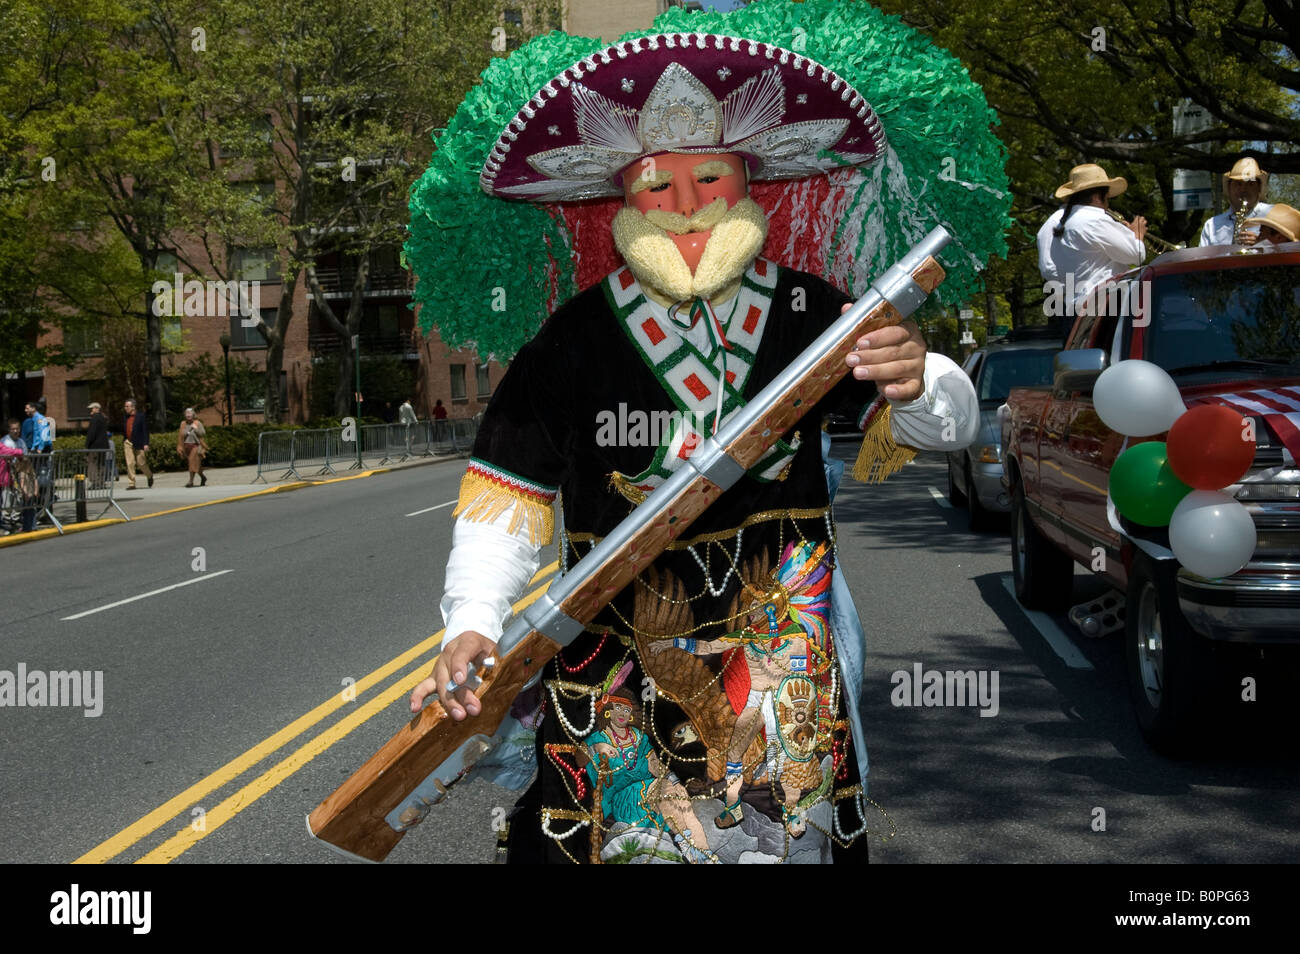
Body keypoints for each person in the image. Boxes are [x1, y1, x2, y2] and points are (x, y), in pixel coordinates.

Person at [402, 5, 1003, 864]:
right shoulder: (568, 341)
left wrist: (919, 373)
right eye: (656, 185)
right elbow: (507, 491)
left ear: (749, 183)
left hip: (776, 659)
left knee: (783, 842)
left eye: (708, 179)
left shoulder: (814, 317)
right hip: (611, 662)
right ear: (623, 197)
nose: (683, 207)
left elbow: (933, 424)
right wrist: (472, 619)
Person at [1042, 163, 1146, 310]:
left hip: (1077, 305)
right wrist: (1137, 234)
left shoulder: (1067, 222)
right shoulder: (1095, 220)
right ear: (1098, 196)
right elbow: (1136, 255)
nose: (1108, 203)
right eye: (1107, 197)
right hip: (1103, 304)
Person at [1199, 157, 1272, 247]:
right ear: (1228, 188)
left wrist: (1261, 244)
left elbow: (1286, 252)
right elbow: (1203, 259)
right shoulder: (1211, 225)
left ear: (1259, 188)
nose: (1243, 189)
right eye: (1238, 183)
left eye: (1250, 184)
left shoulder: (1274, 216)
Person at [1, 419, 29, 533]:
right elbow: (8, 451)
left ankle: (16, 520)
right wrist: (18, 453)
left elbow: (25, 455)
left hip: (18, 473)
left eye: (17, 428)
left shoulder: (21, 441)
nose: (16, 431)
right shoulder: (4, 442)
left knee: (18, 498)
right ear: (9, 430)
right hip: (6, 475)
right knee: (7, 499)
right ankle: (7, 522)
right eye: (13, 429)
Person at [121, 398, 152, 490]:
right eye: (125, 406)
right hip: (128, 442)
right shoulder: (125, 417)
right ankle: (132, 483)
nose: (125, 408)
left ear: (133, 407)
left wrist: (146, 443)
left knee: (141, 463)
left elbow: (145, 431)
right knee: (130, 463)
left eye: (127, 406)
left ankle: (149, 475)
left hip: (139, 442)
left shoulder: (141, 416)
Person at [176, 407, 208, 487]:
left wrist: (196, 429)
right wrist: (179, 446)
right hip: (186, 447)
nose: (188, 415)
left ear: (193, 414)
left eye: (190, 413)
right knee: (196, 465)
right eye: (186, 413)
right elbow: (180, 436)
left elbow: (203, 433)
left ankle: (191, 481)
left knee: (191, 462)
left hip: (195, 446)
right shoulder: (183, 424)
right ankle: (203, 477)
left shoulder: (197, 423)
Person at [85, 401, 110, 488]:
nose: (90, 411)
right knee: (101, 464)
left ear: (96, 409)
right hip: (103, 446)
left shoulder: (94, 418)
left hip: (95, 446)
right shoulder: (103, 418)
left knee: (92, 463)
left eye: (91, 409)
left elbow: (92, 433)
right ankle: (101, 482)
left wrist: (87, 445)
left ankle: (95, 482)